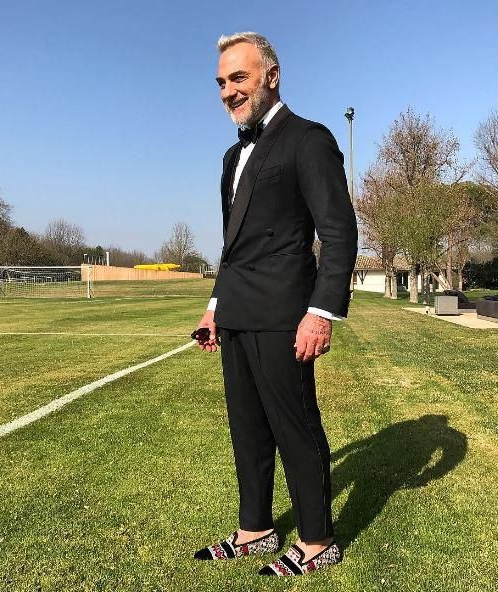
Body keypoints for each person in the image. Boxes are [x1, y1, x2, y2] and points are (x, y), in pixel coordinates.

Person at [193, 32, 358, 577]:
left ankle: (317, 540)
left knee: (295, 427)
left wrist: (321, 312)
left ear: (271, 75)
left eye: (238, 77)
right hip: (237, 312)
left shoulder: (308, 140)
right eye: (222, 82)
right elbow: (232, 245)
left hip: (285, 313)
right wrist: (215, 304)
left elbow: (339, 232)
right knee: (247, 428)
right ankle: (255, 529)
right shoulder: (231, 156)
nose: (228, 91)